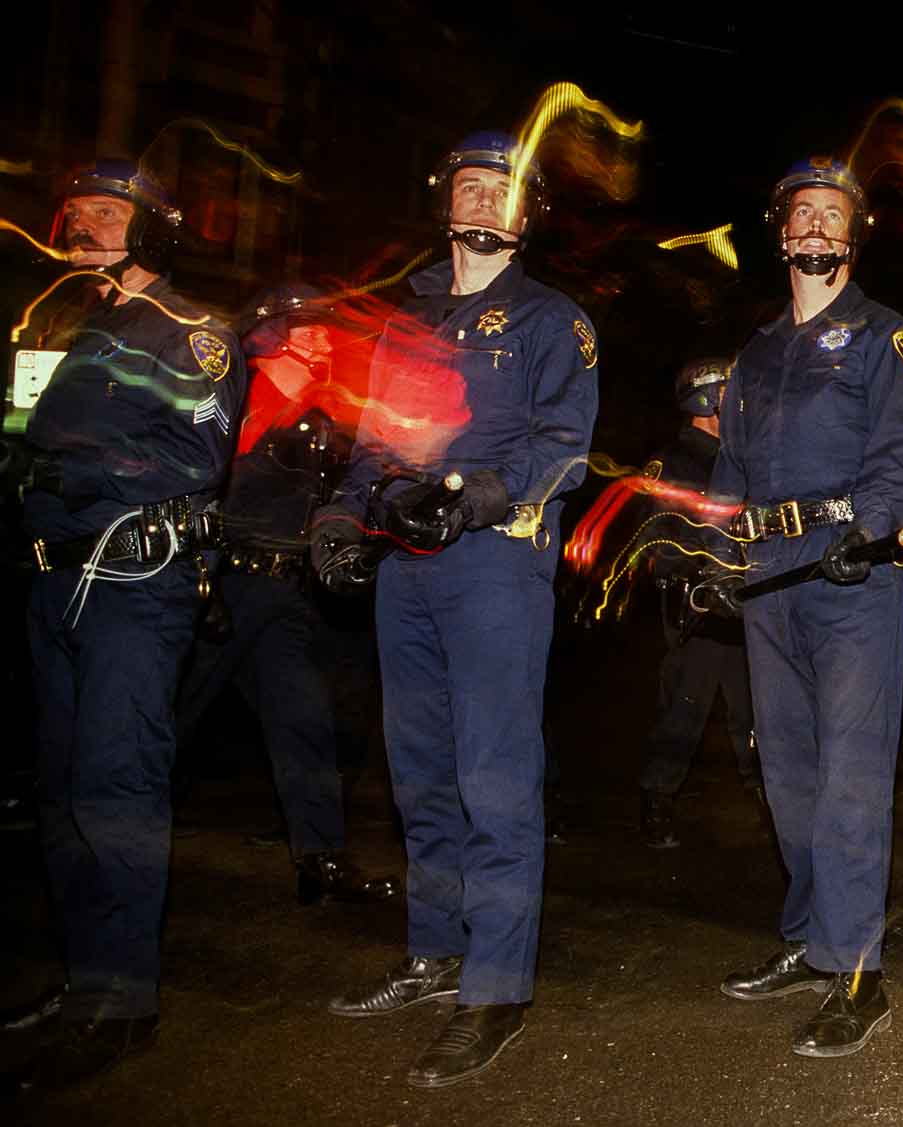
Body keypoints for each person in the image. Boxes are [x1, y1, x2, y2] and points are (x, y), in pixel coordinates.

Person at [314, 131, 598, 1087]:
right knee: (420, 770)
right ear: (449, 202)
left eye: (502, 192)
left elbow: (567, 446)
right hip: (407, 567)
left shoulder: (554, 320)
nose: (483, 203)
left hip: (493, 565)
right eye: (470, 187)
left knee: (494, 776)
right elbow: (372, 438)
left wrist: (484, 492)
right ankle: (435, 953)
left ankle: (497, 985)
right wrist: (342, 515)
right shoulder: (409, 320)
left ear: (528, 217)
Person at [15, 159, 245, 1091]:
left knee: (117, 784)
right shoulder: (63, 325)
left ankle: (122, 999)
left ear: (152, 229)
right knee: (62, 790)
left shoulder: (196, 331)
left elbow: (195, 456)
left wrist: (85, 467)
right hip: (50, 581)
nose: (83, 230)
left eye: (107, 217)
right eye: (75, 215)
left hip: (133, 581)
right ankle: (82, 980)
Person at [707, 157, 903, 1058]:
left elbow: (899, 451)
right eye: (801, 213)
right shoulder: (756, 352)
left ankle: (857, 972)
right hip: (769, 568)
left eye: (832, 215)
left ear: (854, 234)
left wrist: (870, 530)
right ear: (781, 229)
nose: (814, 226)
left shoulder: (890, 337)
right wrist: (715, 553)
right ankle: (810, 937)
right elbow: (731, 469)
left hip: (849, 570)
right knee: (788, 770)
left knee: (849, 775)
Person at [177, 283, 397, 904]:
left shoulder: (316, 413)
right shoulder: (239, 397)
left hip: (280, 596)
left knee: (303, 719)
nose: (324, 340)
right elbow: (208, 472)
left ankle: (320, 862)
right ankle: (106, 853)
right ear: (271, 338)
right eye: (308, 331)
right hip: (224, 588)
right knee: (164, 722)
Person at [638, 357, 756, 850]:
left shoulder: (746, 457)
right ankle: (656, 801)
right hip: (699, 611)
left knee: (756, 714)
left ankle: (773, 803)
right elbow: (658, 543)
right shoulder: (676, 463)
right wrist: (697, 575)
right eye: (727, 391)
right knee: (684, 710)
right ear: (705, 399)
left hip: (747, 606)